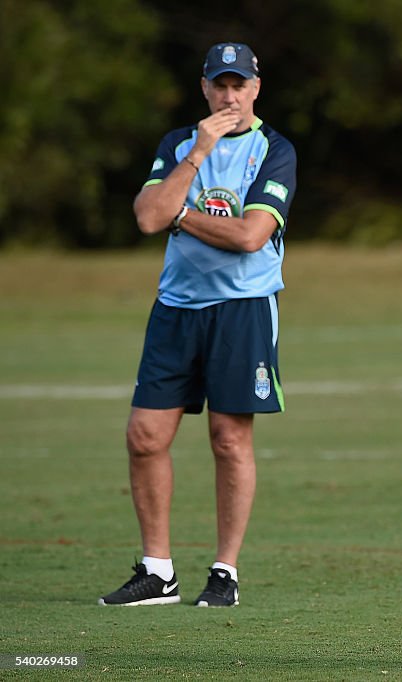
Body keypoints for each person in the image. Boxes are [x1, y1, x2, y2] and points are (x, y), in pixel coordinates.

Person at [99, 43, 297, 608]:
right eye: (219, 85)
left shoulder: (274, 150)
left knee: (229, 440)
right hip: (177, 306)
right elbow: (145, 218)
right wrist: (200, 150)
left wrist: (181, 215)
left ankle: (224, 571)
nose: (229, 95)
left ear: (257, 87)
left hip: (244, 306)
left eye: (239, 85)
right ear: (204, 88)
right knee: (144, 437)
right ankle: (158, 571)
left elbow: (250, 236)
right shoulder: (180, 143)